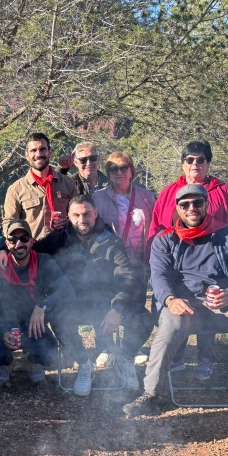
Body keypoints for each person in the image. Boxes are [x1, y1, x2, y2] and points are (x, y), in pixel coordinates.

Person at [122, 184, 228, 432]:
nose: (192, 208)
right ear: (177, 208)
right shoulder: (165, 239)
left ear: (206, 204)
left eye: (197, 203)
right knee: (170, 322)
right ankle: (151, 394)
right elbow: (158, 278)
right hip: (184, 306)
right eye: (185, 204)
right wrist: (169, 300)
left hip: (223, 305)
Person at [149, 141, 228, 378]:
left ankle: (205, 358)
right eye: (190, 159)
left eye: (200, 159)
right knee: (179, 305)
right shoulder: (169, 192)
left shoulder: (223, 192)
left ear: (208, 163)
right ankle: (176, 358)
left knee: (210, 301)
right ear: (183, 163)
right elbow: (156, 228)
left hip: (216, 267)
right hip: (176, 266)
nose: (195, 164)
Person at [34, 195, 137, 395]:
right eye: (77, 215)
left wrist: (117, 308)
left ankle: (115, 358)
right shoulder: (59, 238)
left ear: (95, 214)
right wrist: (3, 251)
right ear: (69, 217)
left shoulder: (111, 241)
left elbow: (127, 277)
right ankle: (85, 364)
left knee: (139, 315)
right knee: (59, 318)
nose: (82, 220)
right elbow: (30, 250)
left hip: (104, 303)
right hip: (70, 302)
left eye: (87, 214)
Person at [0, 220, 75, 385]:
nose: (19, 243)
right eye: (13, 239)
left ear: (32, 241)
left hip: (33, 324)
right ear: (7, 243)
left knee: (49, 353)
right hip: (6, 324)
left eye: (24, 238)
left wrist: (42, 306)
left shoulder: (44, 261)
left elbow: (66, 290)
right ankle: (4, 363)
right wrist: (1, 332)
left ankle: (34, 361)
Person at [92, 152, 156, 365]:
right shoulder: (98, 197)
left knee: (135, 307)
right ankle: (106, 347)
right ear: (108, 174)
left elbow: (154, 228)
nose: (119, 172)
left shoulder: (147, 196)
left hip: (138, 264)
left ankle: (129, 350)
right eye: (113, 169)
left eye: (124, 168)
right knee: (106, 305)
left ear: (132, 171)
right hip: (109, 266)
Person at [2, 132, 78, 242]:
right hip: (33, 251)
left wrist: (67, 221)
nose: (38, 154)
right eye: (33, 150)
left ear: (50, 152)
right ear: (27, 155)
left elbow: (79, 215)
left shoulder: (68, 183)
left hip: (64, 250)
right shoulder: (16, 189)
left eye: (42, 149)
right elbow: (9, 223)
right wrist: (22, 239)